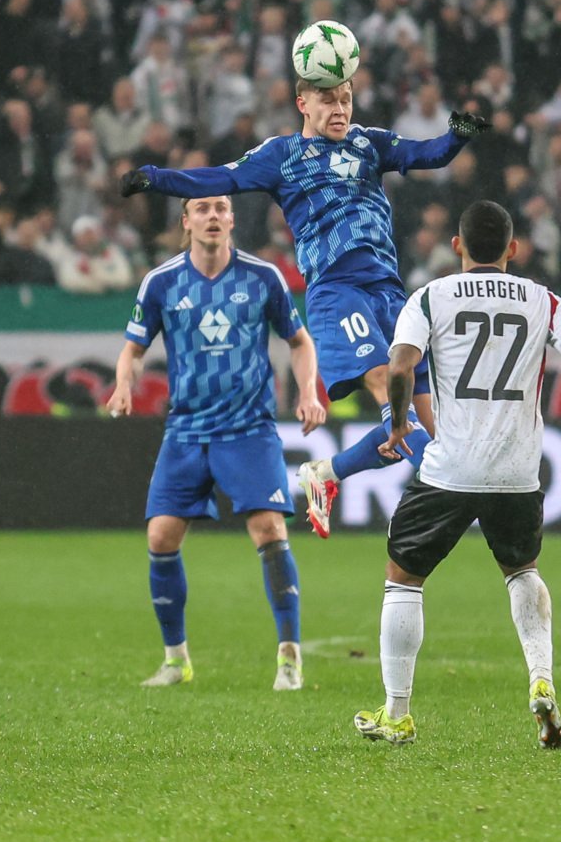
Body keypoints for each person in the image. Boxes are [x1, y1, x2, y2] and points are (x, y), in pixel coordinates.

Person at [119, 78, 489, 539]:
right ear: (303, 104)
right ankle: (459, 498)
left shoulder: (369, 143)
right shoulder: (281, 155)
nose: (340, 109)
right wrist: (156, 178)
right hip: (338, 290)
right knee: (384, 385)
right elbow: (219, 178)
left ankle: (326, 475)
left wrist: (458, 134)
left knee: (430, 428)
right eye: (328, 100)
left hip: (391, 294)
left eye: (346, 99)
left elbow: (426, 153)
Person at [352, 201, 561, 747]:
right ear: (513, 248)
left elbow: (401, 365)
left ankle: (398, 713)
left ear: (456, 246)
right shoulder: (542, 300)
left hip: (450, 468)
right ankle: (541, 679)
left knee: (403, 576)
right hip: (517, 471)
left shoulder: (429, 297)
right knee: (523, 572)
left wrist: (402, 422)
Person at [106, 195, 327, 691]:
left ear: (231, 220)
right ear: (185, 222)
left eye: (220, 208)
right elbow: (132, 350)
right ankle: (175, 659)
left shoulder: (263, 277)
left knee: (269, 529)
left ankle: (289, 657)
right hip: (185, 430)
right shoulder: (161, 282)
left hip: (248, 429)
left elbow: (299, 340)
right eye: (201, 209)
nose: (211, 216)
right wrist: (124, 384)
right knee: (161, 537)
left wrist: (309, 392)